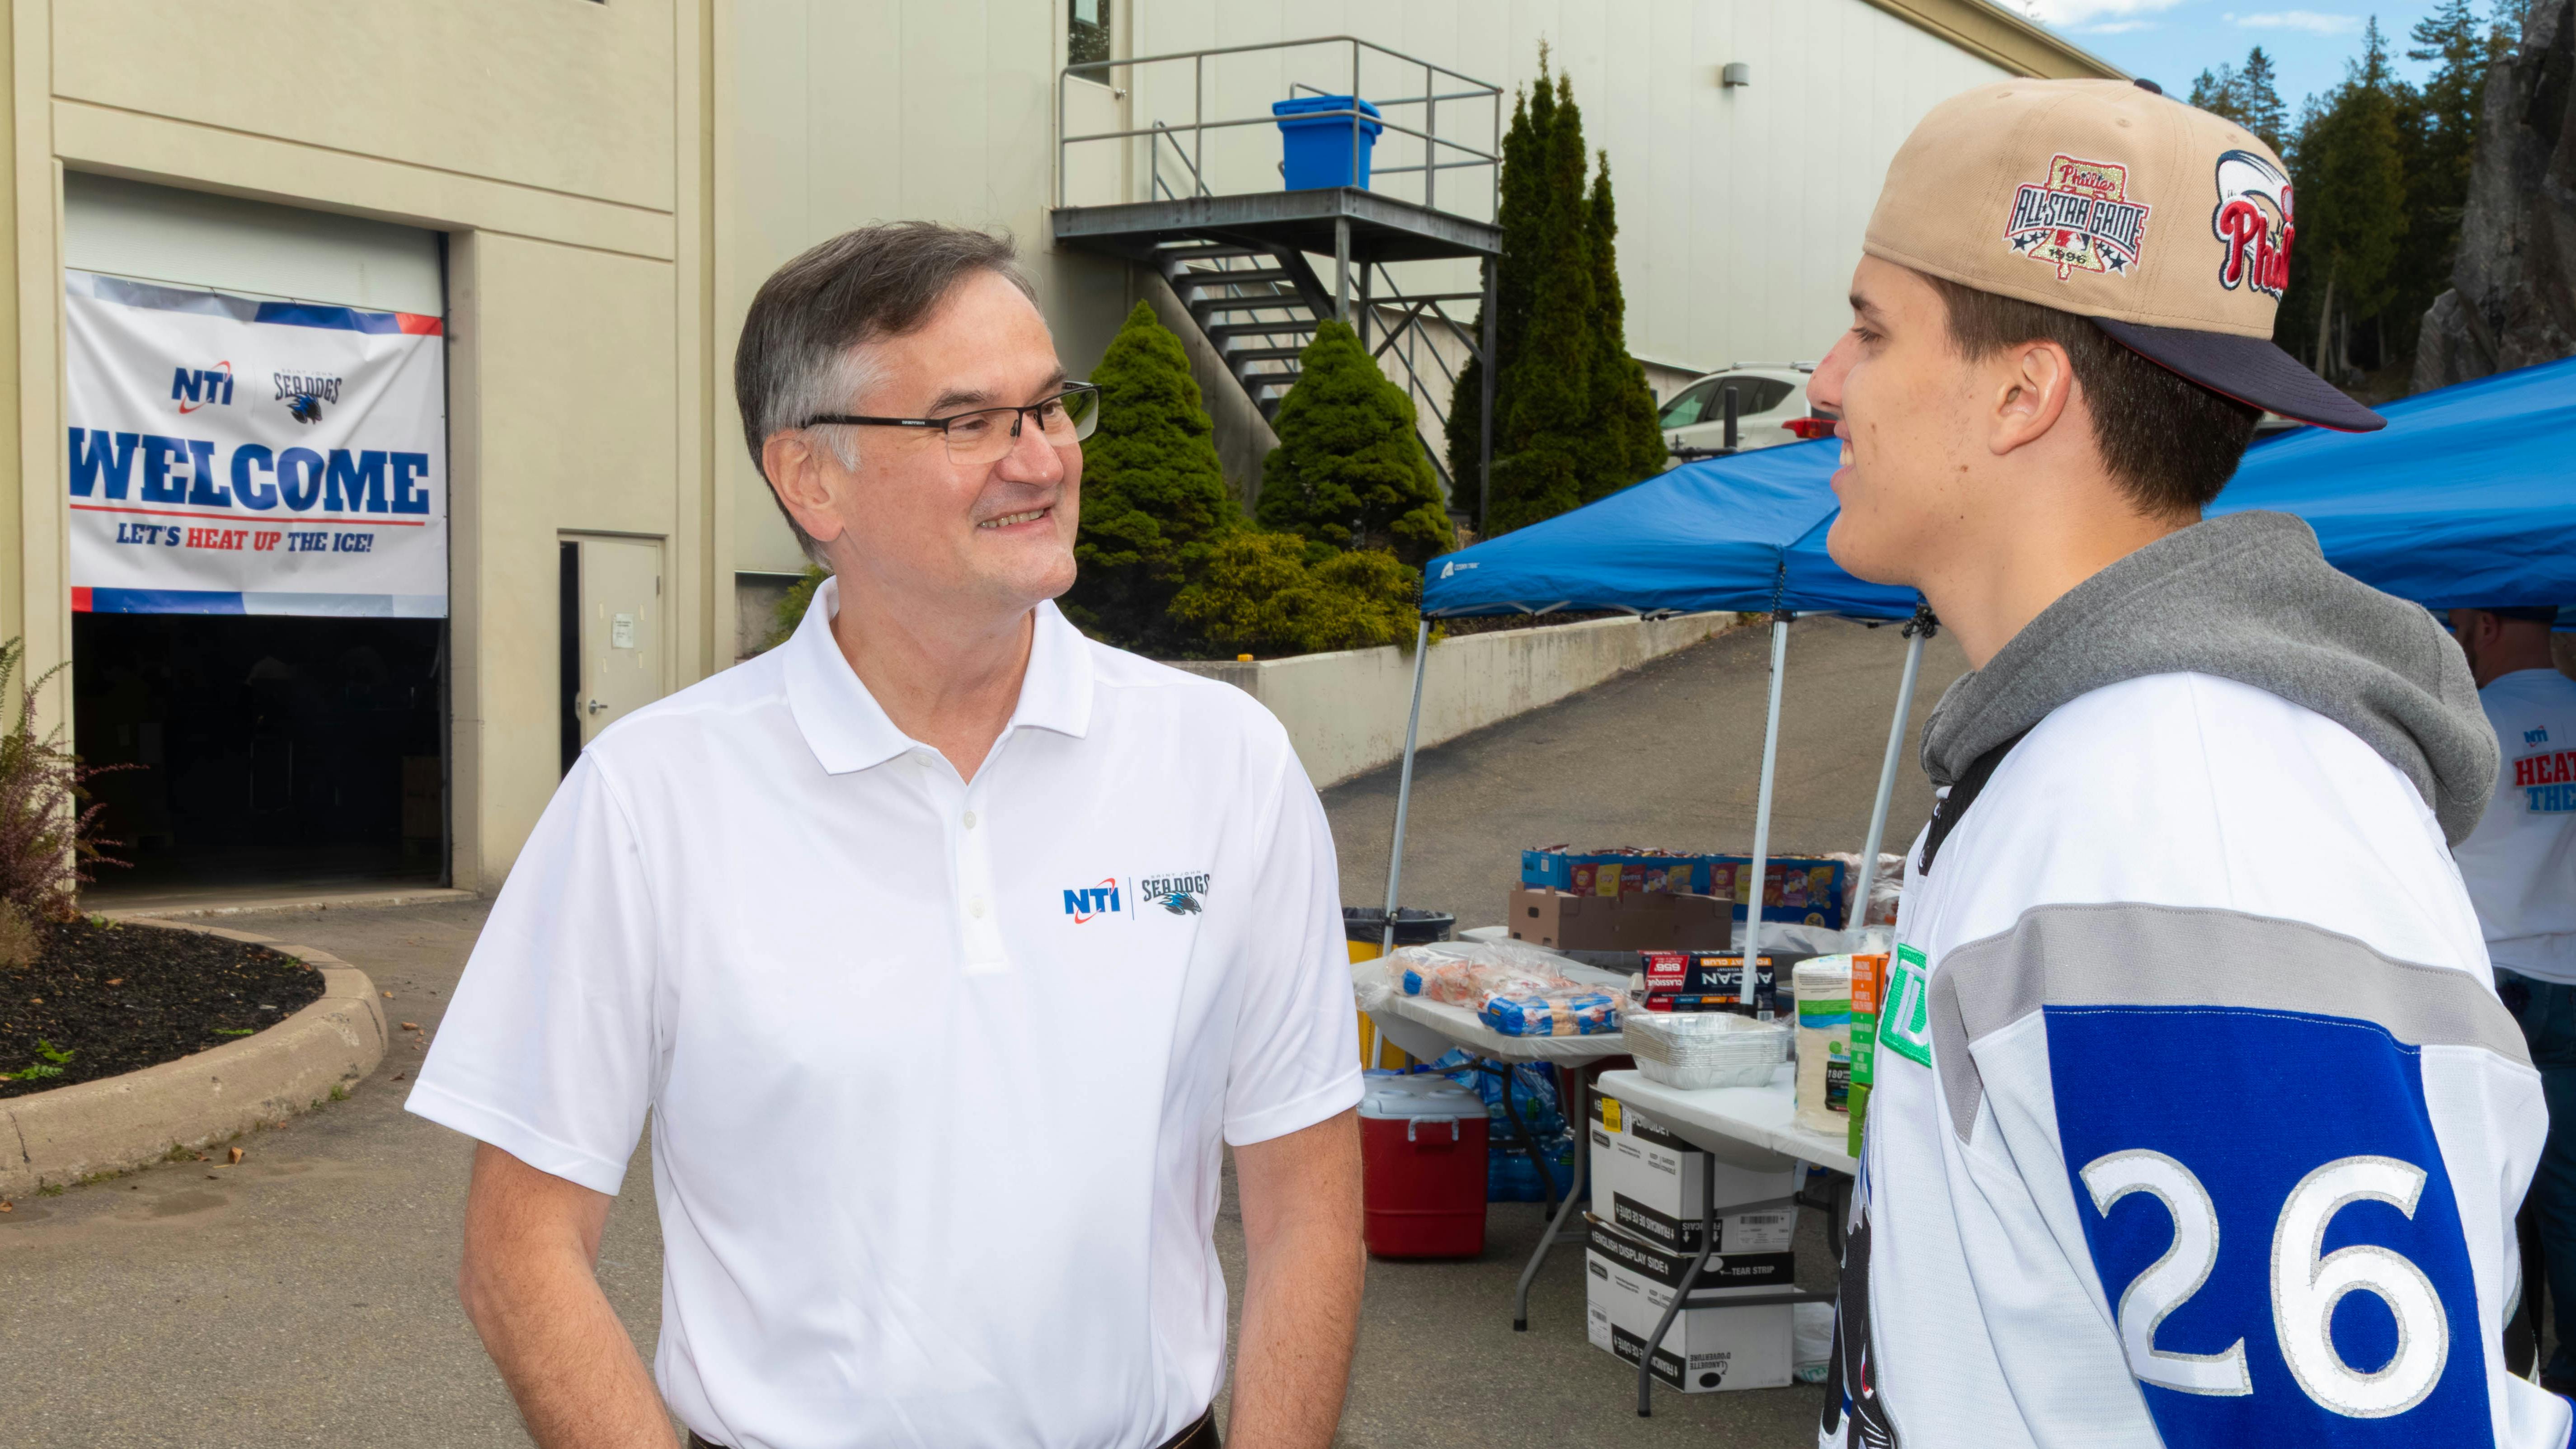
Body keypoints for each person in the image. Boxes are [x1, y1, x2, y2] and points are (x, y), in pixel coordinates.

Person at [407, 223, 1365, 1449]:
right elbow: (519, 1248)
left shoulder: (1222, 762)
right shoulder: (650, 799)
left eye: (1049, 407)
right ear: (812, 478)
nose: (1039, 459)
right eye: (969, 422)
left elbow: (1305, 1202)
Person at [1806, 78, 2561, 1446]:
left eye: (1867, 328)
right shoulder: (2090, 765)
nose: (1821, 384)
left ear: (2022, 391)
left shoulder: (2187, 809)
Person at [2451, 603, 2576, 1392]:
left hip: (2502, 986)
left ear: (2482, 625)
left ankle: (2511, 1374)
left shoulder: (2469, 725)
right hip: (2570, 973)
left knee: (2495, 1184)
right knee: (2566, 1189)